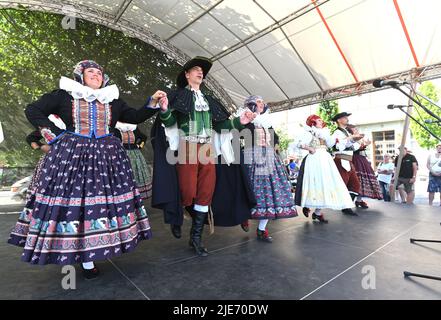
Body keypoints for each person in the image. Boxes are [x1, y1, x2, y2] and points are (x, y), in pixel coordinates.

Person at [8, 60, 164, 279]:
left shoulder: (112, 100)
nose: (96, 74)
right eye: (90, 71)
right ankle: (79, 254)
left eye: (99, 73)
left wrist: (153, 103)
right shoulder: (65, 95)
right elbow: (33, 109)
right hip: (72, 158)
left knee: (101, 205)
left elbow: (134, 117)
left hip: (107, 160)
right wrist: (54, 133)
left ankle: (94, 249)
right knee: (75, 204)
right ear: (80, 76)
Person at [151, 56, 256, 257]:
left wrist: (239, 121)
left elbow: (223, 125)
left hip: (207, 149)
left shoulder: (209, 100)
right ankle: (175, 215)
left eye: (202, 71)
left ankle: (196, 237)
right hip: (187, 146)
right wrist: (164, 110)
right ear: (187, 74)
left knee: (205, 193)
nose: (200, 72)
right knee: (186, 189)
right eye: (196, 69)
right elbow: (170, 121)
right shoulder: (178, 96)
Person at [239, 95, 297, 242]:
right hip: (250, 157)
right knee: (248, 188)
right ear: (251, 104)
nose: (261, 103)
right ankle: (243, 215)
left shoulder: (267, 122)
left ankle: (261, 229)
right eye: (258, 101)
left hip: (268, 157)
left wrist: (273, 148)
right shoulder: (245, 119)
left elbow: (276, 139)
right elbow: (238, 135)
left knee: (270, 192)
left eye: (262, 102)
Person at [294, 115, 354, 223]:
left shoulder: (325, 133)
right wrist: (310, 148)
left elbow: (331, 144)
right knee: (315, 183)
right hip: (314, 159)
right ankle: (308, 205)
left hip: (325, 158)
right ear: (313, 122)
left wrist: (341, 140)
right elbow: (299, 143)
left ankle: (317, 213)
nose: (321, 121)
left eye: (322, 120)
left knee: (326, 184)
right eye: (318, 120)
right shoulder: (309, 132)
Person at [331, 112, 365, 215]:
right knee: (342, 185)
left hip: (348, 160)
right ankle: (344, 206)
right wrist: (352, 138)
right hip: (340, 160)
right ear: (339, 120)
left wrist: (355, 140)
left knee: (355, 185)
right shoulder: (336, 133)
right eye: (344, 117)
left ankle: (347, 205)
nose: (347, 119)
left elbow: (351, 146)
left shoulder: (346, 132)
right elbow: (338, 146)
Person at [114, 122, 152, 200]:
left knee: (136, 176)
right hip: (121, 156)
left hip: (135, 156)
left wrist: (139, 146)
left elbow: (143, 138)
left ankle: (137, 199)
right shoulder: (115, 128)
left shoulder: (133, 127)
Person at [346, 125, 383, 202]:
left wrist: (365, 144)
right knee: (357, 179)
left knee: (364, 180)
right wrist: (365, 145)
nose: (356, 130)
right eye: (354, 129)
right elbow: (353, 149)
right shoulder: (351, 138)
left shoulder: (358, 138)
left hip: (362, 159)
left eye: (356, 129)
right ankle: (351, 201)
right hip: (356, 159)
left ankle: (359, 200)